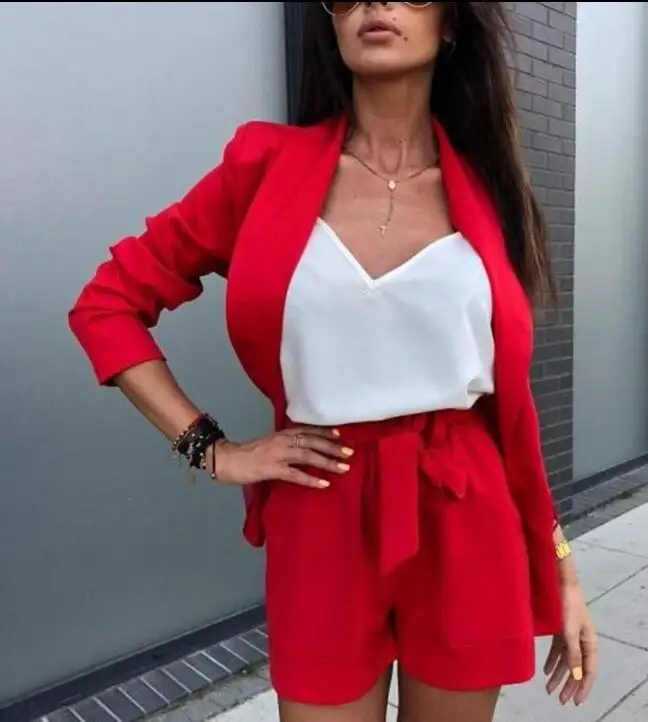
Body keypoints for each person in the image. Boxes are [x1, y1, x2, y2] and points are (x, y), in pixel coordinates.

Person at [68, 2, 598, 721]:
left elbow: (512, 412)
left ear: (450, 25)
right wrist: (210, 449)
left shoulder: (489, 186)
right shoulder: (263, 167)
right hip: (321, 507)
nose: (376, 3)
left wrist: (561, 570)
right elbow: (107, 304)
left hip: (465, 511)